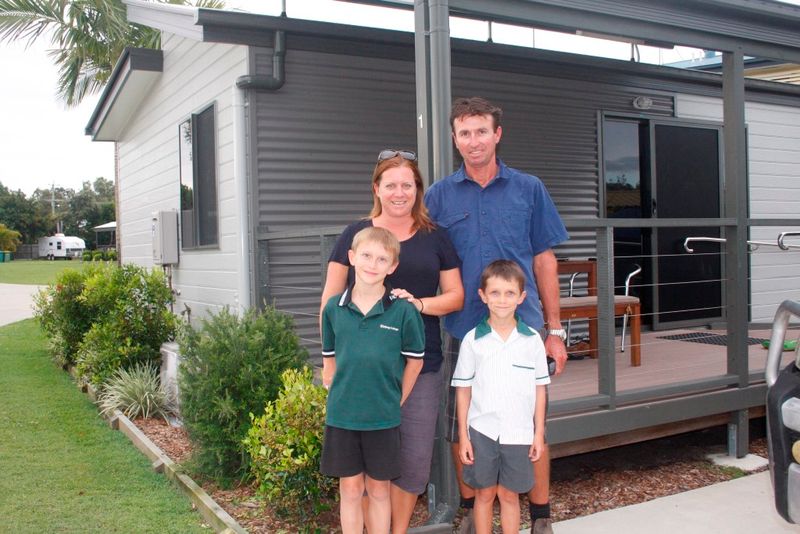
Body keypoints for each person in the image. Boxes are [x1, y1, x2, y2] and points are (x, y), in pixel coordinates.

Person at [424, 97, 568, 534]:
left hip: (522, 328)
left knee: (529, 424)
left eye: (482, 131)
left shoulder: (529, 188)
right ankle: (473, 511)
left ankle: (540, 517)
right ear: (455, 139)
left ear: (497, 134)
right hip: (463, 329)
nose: (474, 141)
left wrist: (555, 330)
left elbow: (544, 260)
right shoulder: (438, 196)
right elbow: (421, 254)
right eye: (465, 133)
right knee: (461, 426)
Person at [320, 149, 464, 533]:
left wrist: (418, 304)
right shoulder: (356, 235)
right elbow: (329, 302)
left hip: (419, 365)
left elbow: (456, 296)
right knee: (360, 471)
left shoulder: (436, 237)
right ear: (376, 189)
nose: (399, 193)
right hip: (361, 371)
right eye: (391, 185)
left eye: (407, 185)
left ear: (418, 189)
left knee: (412, 462)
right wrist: (330, 361)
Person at [320, 226, 426, 534]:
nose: (372, 264)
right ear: (352, 257)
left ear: (393, 266)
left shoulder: (403, 311)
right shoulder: (333, 309)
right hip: (343, 417)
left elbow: (415, 362)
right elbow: (329, 358)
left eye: (382, 259)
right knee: (350, 489)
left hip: (383, 418)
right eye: (366, 256)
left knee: (380, 490)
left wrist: (397, 399)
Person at [452, 260, 550, 534]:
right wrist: (463, 436)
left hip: (519, 433)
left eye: (509, 293)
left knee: (509, 495)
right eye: (495, 293)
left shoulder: (532, 341)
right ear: (483, 296)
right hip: (481, 431)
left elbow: (540, 389)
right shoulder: (472, 340)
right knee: (484, 494)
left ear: (522, 297)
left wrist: (538, 434)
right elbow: (463, 389)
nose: (502, 300)